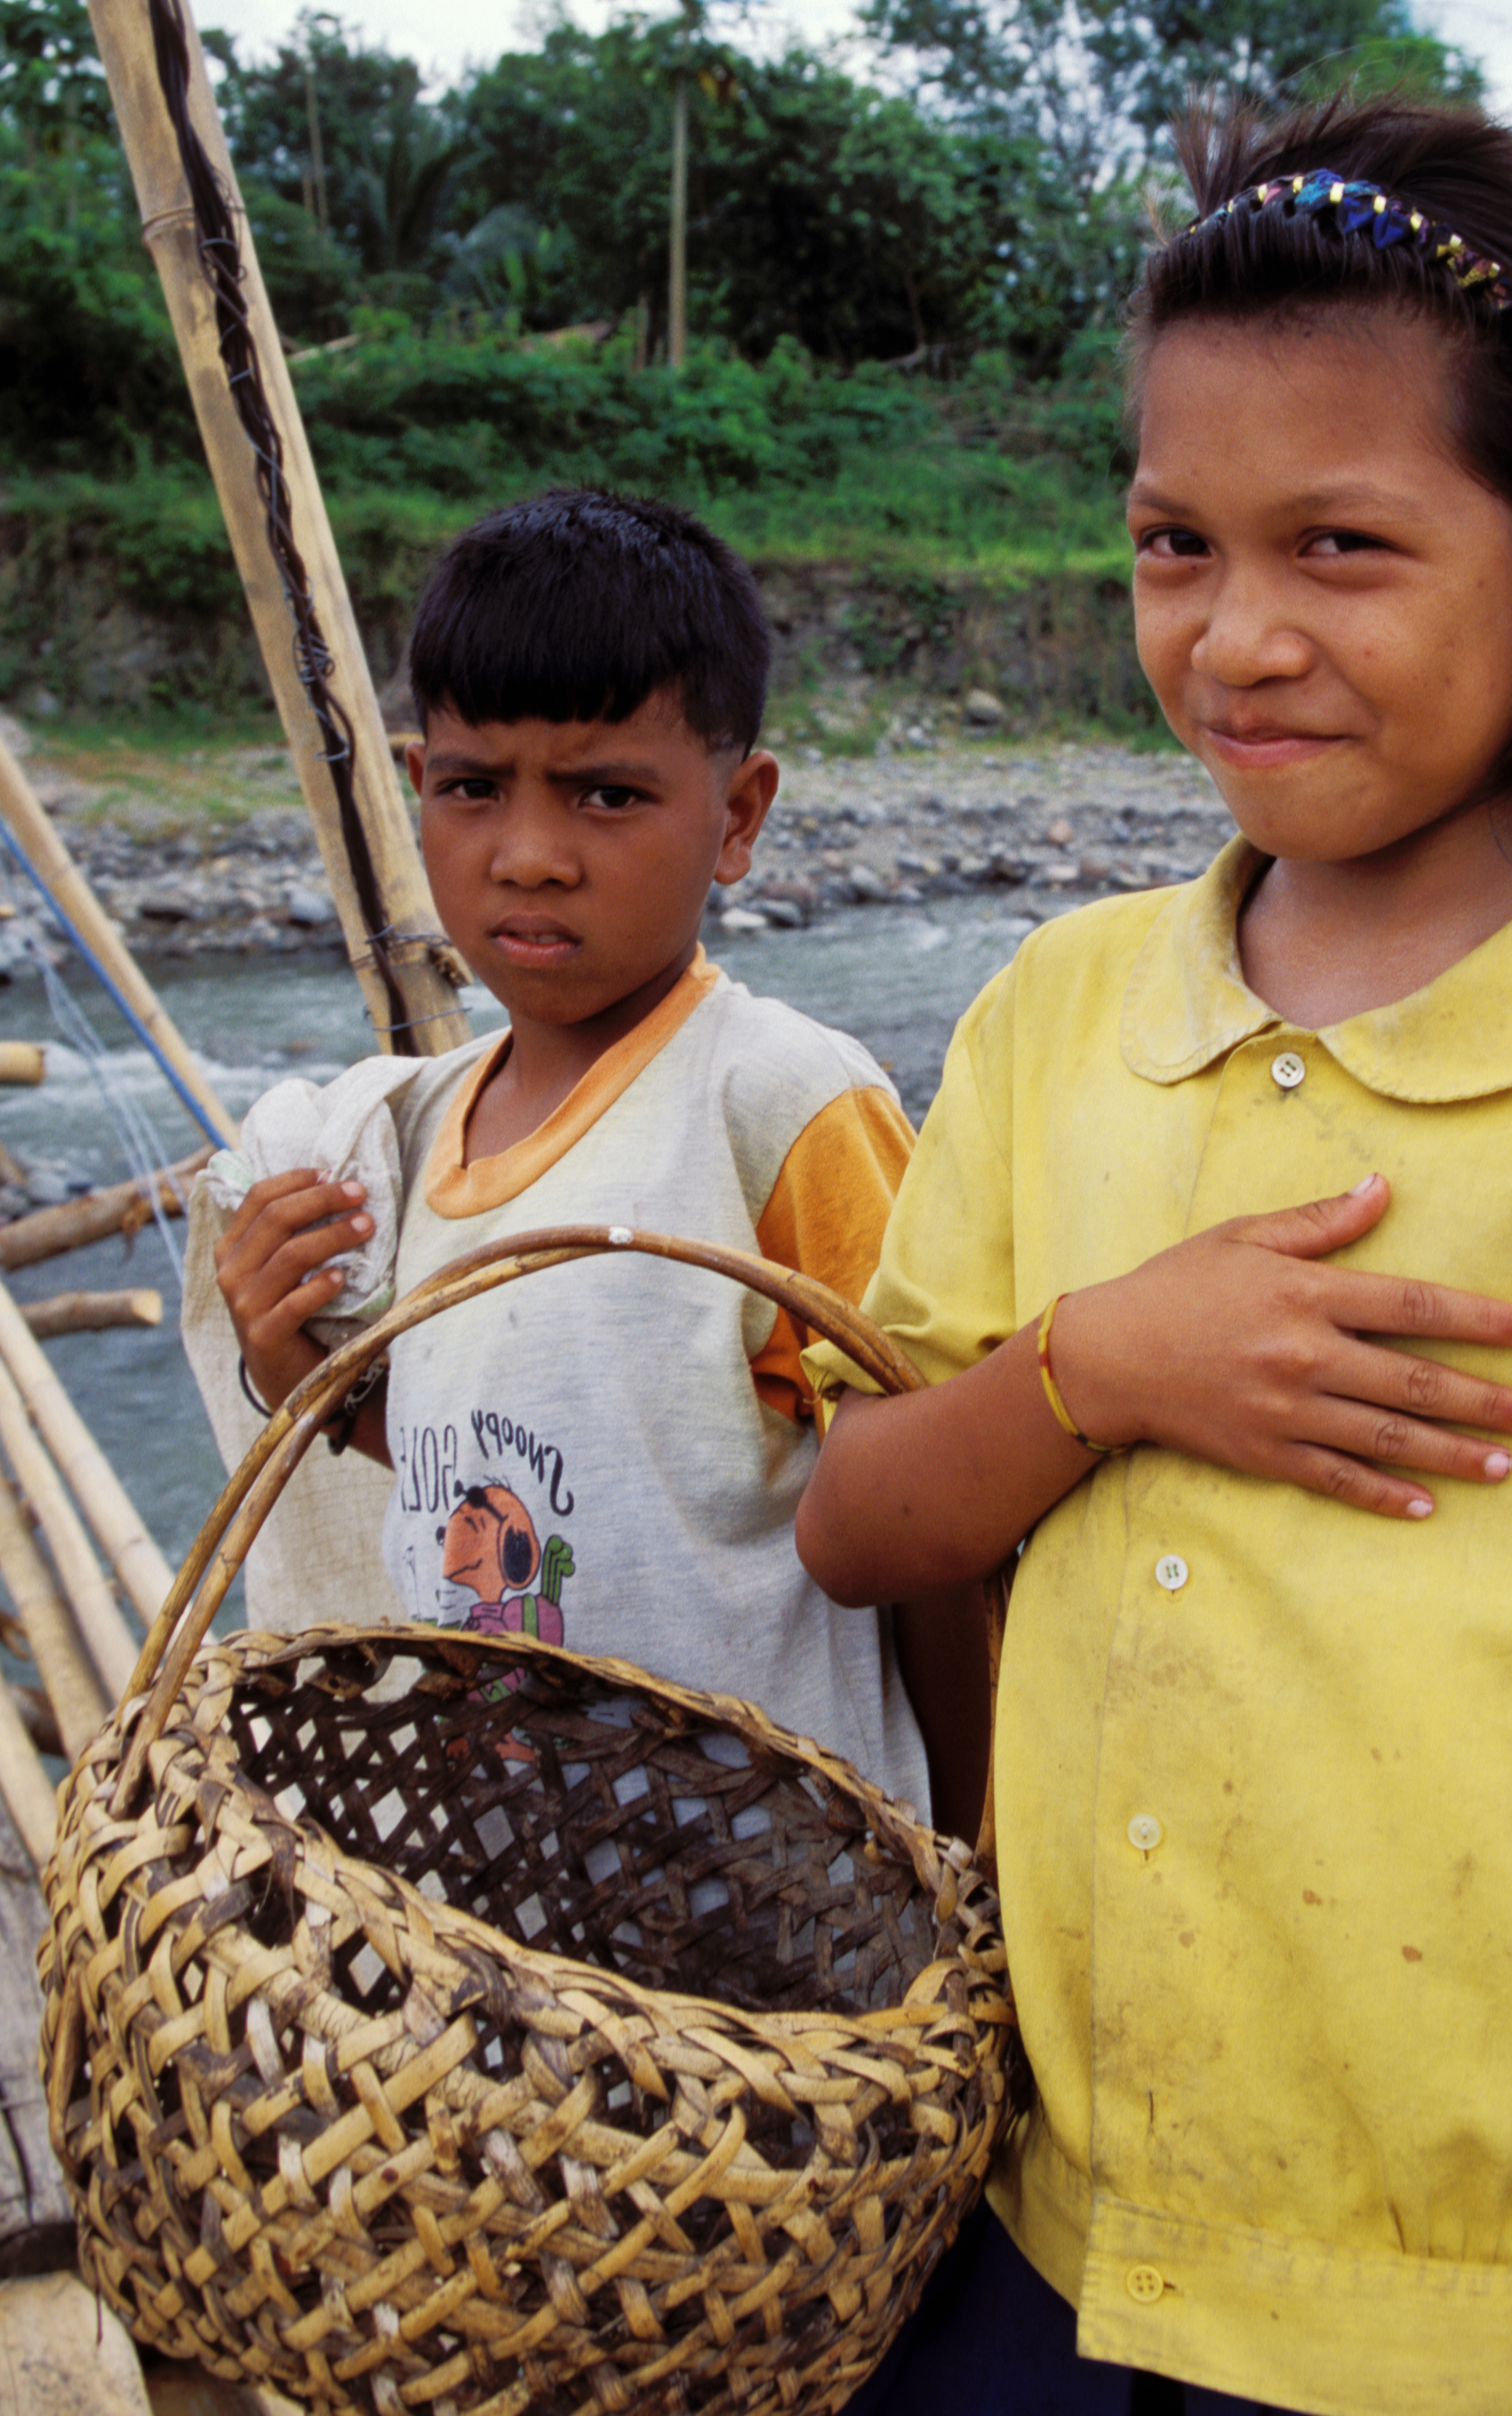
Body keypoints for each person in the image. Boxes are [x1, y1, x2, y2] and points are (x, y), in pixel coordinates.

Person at [797, 99, 1512, 2416]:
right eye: (1173, 542)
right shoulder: (1055, 1017)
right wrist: (1098, 1373)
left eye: (1340, 545)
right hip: (1041, 2241)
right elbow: (859, 1523)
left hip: (1485, 2342)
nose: (1234, 636)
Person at [202, 487, 952, 1812]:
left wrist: (966, 1850)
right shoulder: (411, 1132)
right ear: (419, 786)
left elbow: (935, 1516)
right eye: (478, 789)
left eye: (607, 793)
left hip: (779, 1897)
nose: (530, 856)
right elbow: (509, 1458)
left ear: (738, 816)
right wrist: (290, 1367)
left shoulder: (776, 1105)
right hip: (520, 1888)